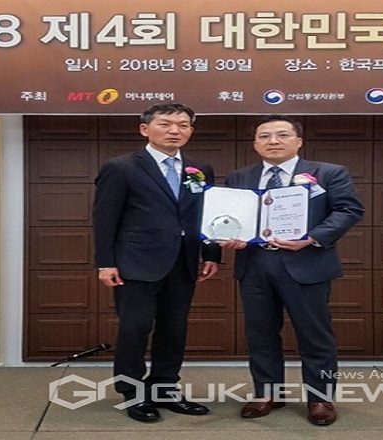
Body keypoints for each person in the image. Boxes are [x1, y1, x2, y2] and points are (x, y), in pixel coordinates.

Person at [220, 114, 364, 426]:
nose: (273, 141)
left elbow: (349, 209)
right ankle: (267, 393)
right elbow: (232, 216)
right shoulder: (239, 177)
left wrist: (312, 238)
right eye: (265, 136)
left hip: (307, 264)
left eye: (282, 134)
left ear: (298, 141)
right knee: (260, 334)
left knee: (314, 335)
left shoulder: (328, 173)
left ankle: (320, 398)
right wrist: (234, 236)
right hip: (255, 265)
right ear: (255, 144)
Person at [92, 102, 221, 423]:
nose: (174, 131)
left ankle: (164, 388)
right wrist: (105, 263)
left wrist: (211, 253)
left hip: (183, 261)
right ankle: (132, 393)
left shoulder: (200, 168)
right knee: (135, 328)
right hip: (135, 262)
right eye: (165, 124)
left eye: (183, 125)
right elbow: (104, 219)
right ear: (144, 129)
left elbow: (209, 214)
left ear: (191, 130)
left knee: (174, 328)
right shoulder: (121, 167)